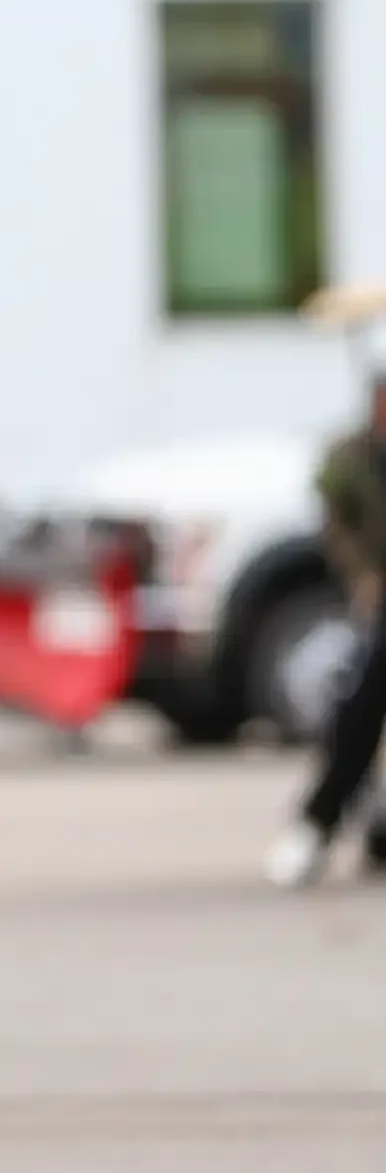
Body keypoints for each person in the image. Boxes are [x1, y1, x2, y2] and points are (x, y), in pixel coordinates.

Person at [265, 368, 386, 887]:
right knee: (358, 706)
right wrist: (364, 577)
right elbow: (337, 526)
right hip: (377, 593)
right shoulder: (350, 457)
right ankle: (319, 824)